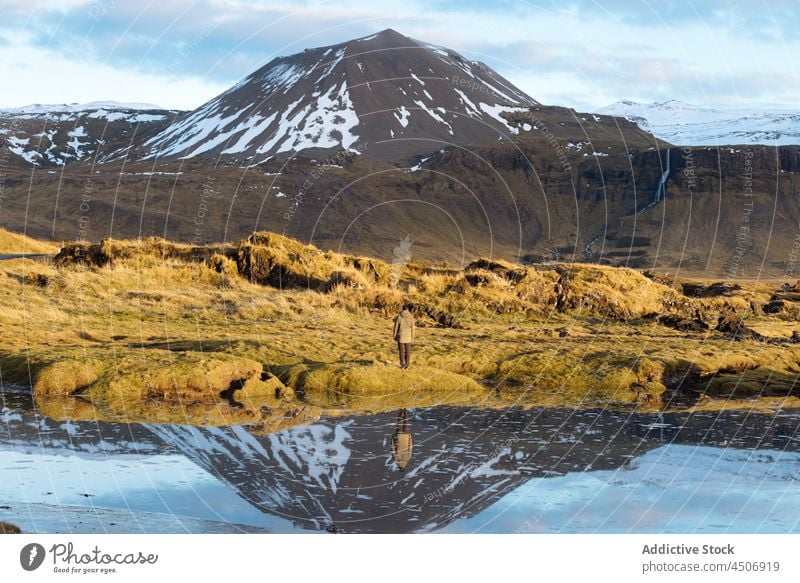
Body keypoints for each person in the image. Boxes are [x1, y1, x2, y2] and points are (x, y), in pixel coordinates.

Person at [392, 302, 415, 369]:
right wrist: (412, 337)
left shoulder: (399, 317)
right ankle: (407, 365)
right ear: (408, 309)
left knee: (401, 351)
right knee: (408, 351)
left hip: (400, 336)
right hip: (408, 337)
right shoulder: (411, 317)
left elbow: (395, 327)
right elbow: (413, 328)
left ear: (402, 309)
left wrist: (394, 335)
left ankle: (402, 364)